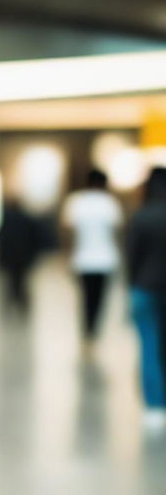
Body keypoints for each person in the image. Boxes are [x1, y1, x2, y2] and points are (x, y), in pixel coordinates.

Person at [61, 168, 123, 354]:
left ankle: (87, 334)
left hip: (83, 259)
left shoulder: (76, 202)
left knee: (85, 298)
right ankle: (93, 333)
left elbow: (68, 234)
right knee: (99, 298)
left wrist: (67, 257)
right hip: (106, 259)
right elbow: (116, 233)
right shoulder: (110, 203)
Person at [126, 167, 166, 431]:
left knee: (150, 346)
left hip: (146, 287)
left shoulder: (141, 217)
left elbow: (132, 259)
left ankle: (155, 406)